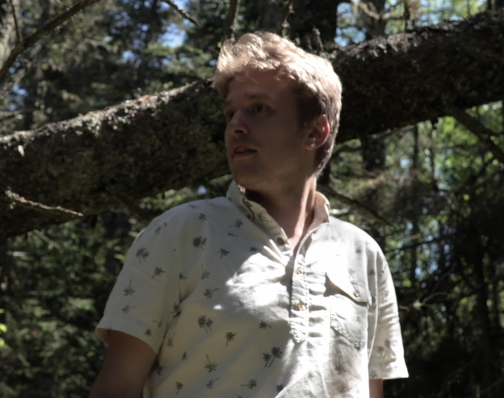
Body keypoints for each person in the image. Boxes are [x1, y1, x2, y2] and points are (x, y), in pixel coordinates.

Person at [90, 32, 408, 398]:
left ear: (315, 131)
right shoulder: (179, 233)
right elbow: (116, 388)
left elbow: (370, 390)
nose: (235, 125)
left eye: (259, 108)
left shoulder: (363, 254)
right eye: (230, 113)